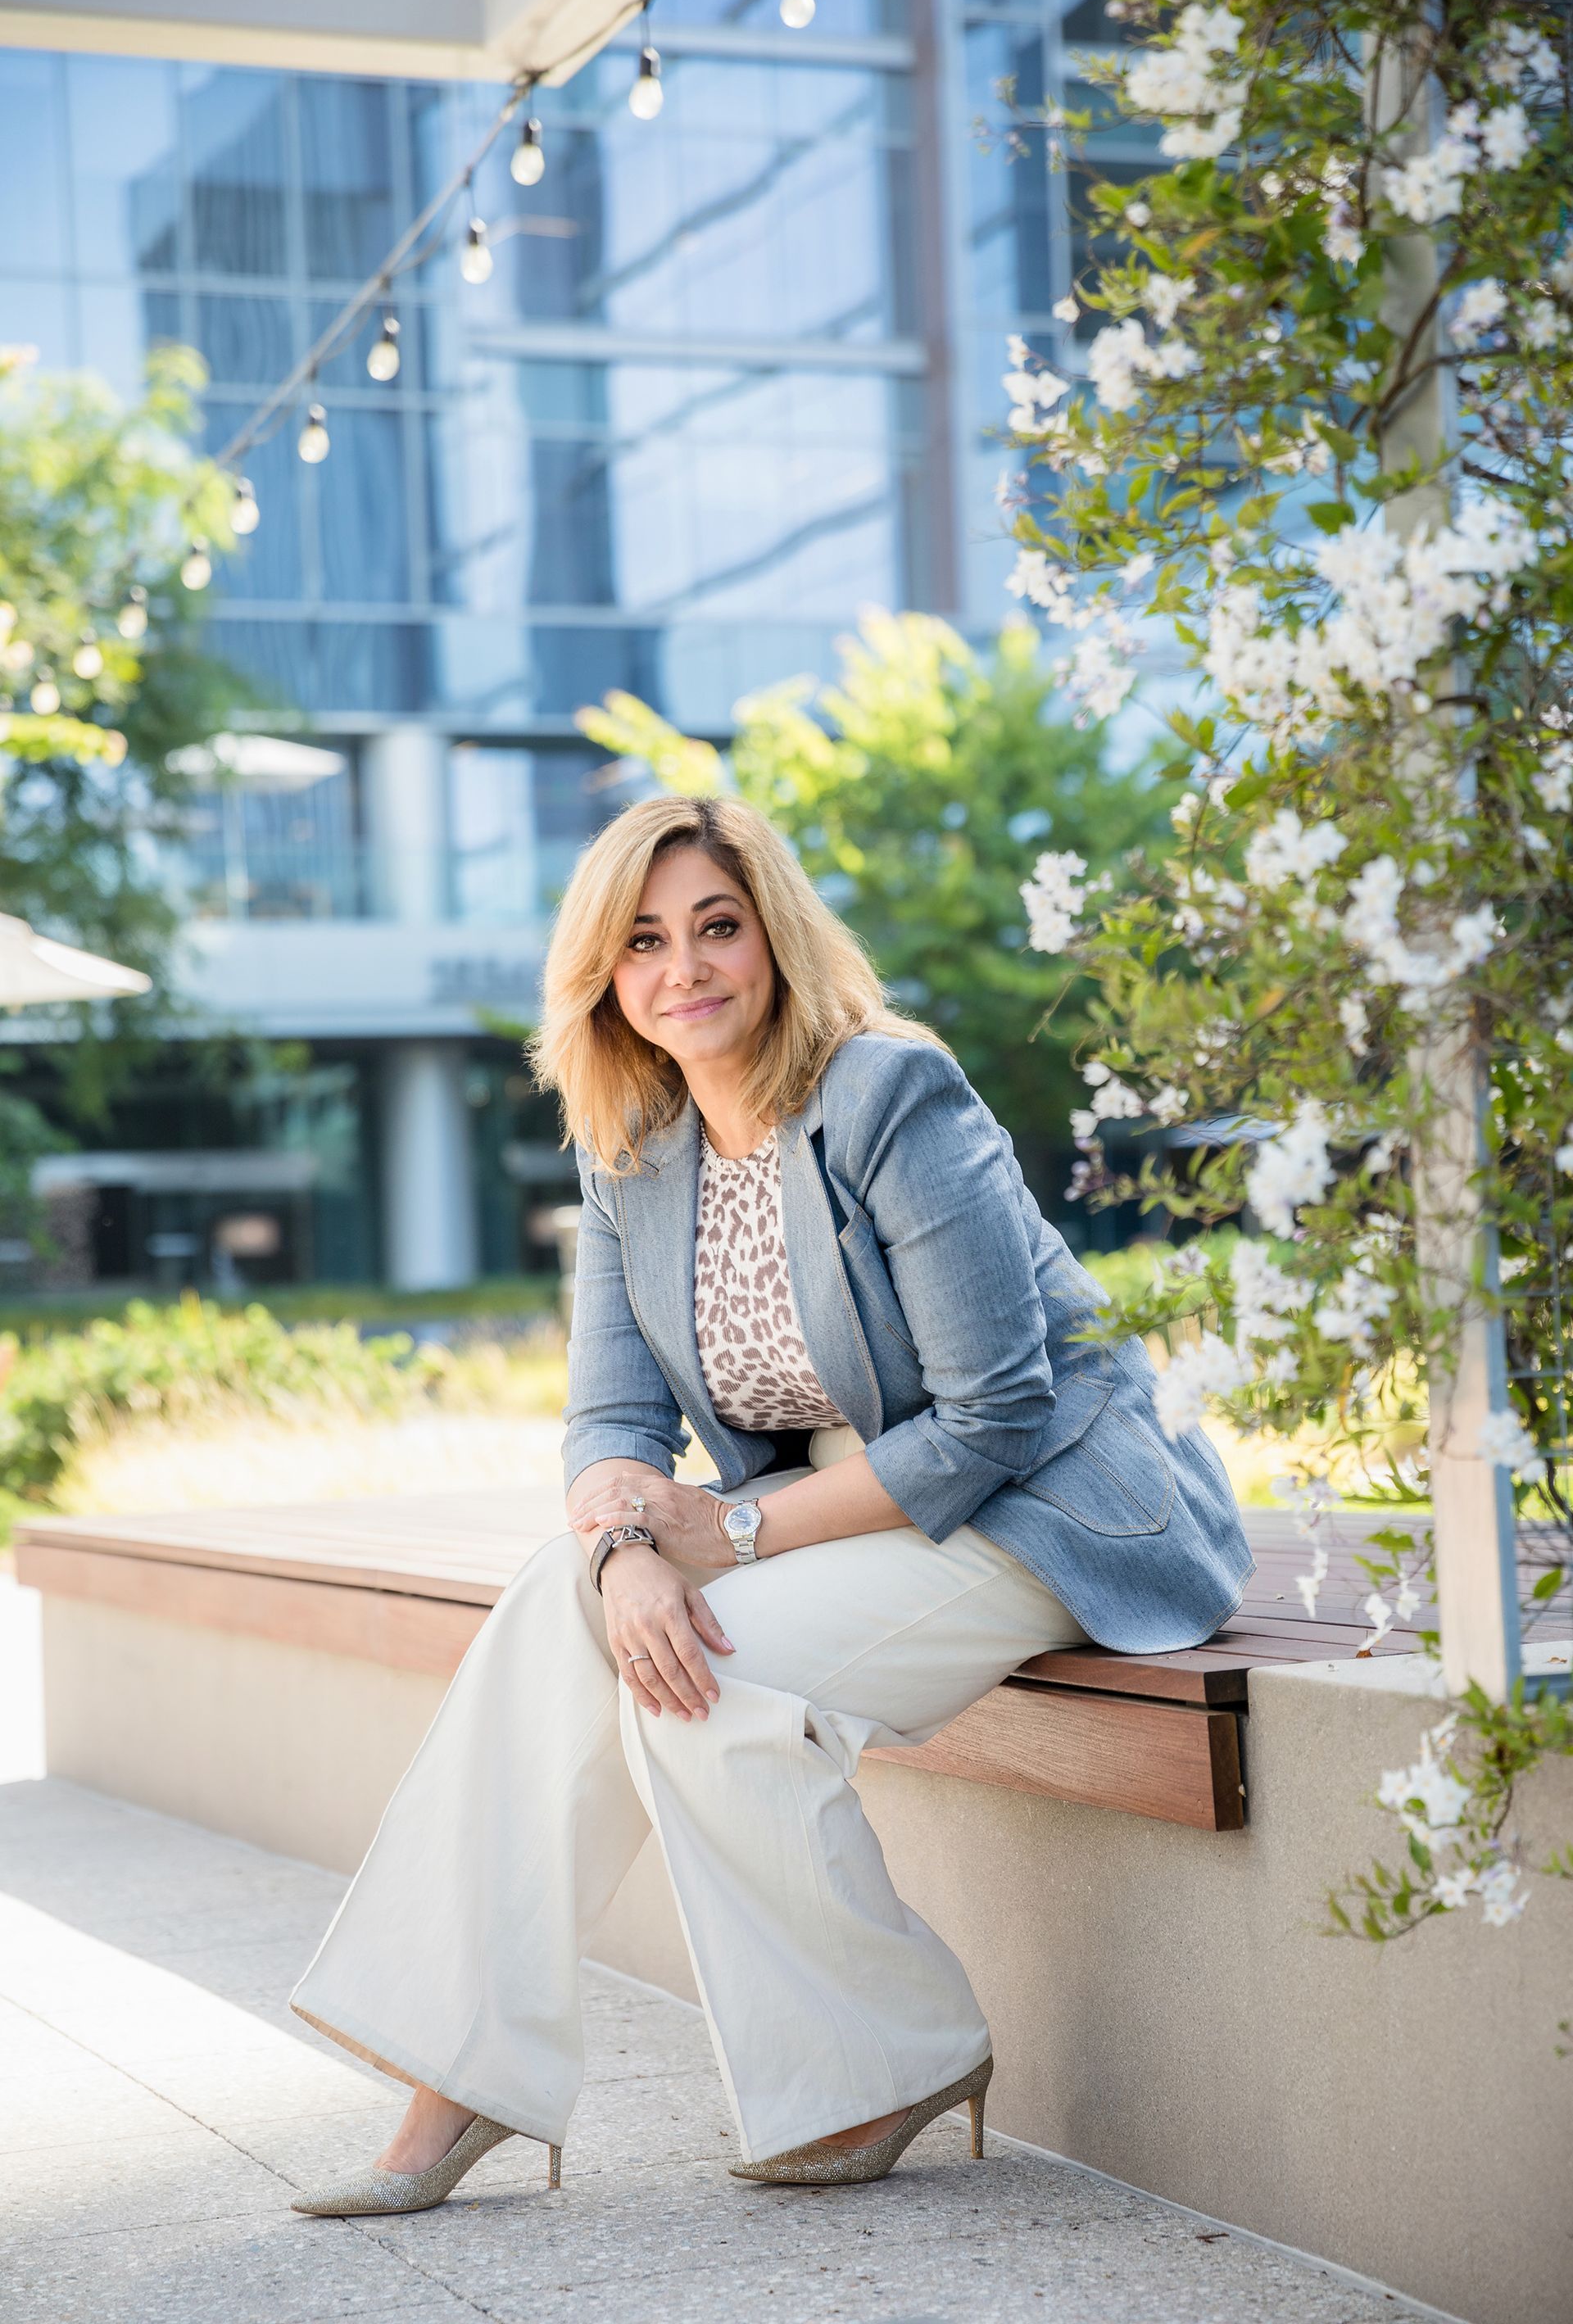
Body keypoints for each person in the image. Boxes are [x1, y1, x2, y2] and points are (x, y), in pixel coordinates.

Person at [288, 795, 1250, 2217]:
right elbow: (612, 1420)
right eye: (645, 941)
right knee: (559, 1609)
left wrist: (727, 1535)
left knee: (713, 1676)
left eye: (716, 927)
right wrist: (624, 1552)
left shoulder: (889, 1094)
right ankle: (459, 2077)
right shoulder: (631, 1147)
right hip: (837, 1503)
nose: (685, 968)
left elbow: (997, 1411)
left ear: (775, 937)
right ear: (605, 977)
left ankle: (885, 2058)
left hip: (1043, 1500)